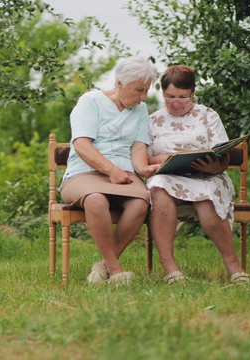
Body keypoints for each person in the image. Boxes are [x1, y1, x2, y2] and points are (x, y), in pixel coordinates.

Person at [146, 65, 250, 284]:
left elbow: (223, 154)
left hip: (206, 176)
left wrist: (213, 167)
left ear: (192, 93)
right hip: (169, 178)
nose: (175, 103)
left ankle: (234, 268)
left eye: (183, 97)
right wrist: (161, 159)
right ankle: (171, 269)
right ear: (162, 93)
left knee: (207, 199)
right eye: (170, 96)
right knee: (158, 186)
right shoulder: (153, 120)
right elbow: (143, 157)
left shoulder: (207, 115)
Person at [60, 56, 158, 284]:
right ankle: (115, 271)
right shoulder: (90, 101)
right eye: (139, 90)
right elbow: (82, 145)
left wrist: (144, 168)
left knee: (141, 201)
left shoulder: (140, 109)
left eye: (146, 91)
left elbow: (138, 147)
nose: (143, 97)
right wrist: (111, 170)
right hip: (83, 173)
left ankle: (102, 267)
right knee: (96, 200)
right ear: (120, 84)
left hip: (123, 174)